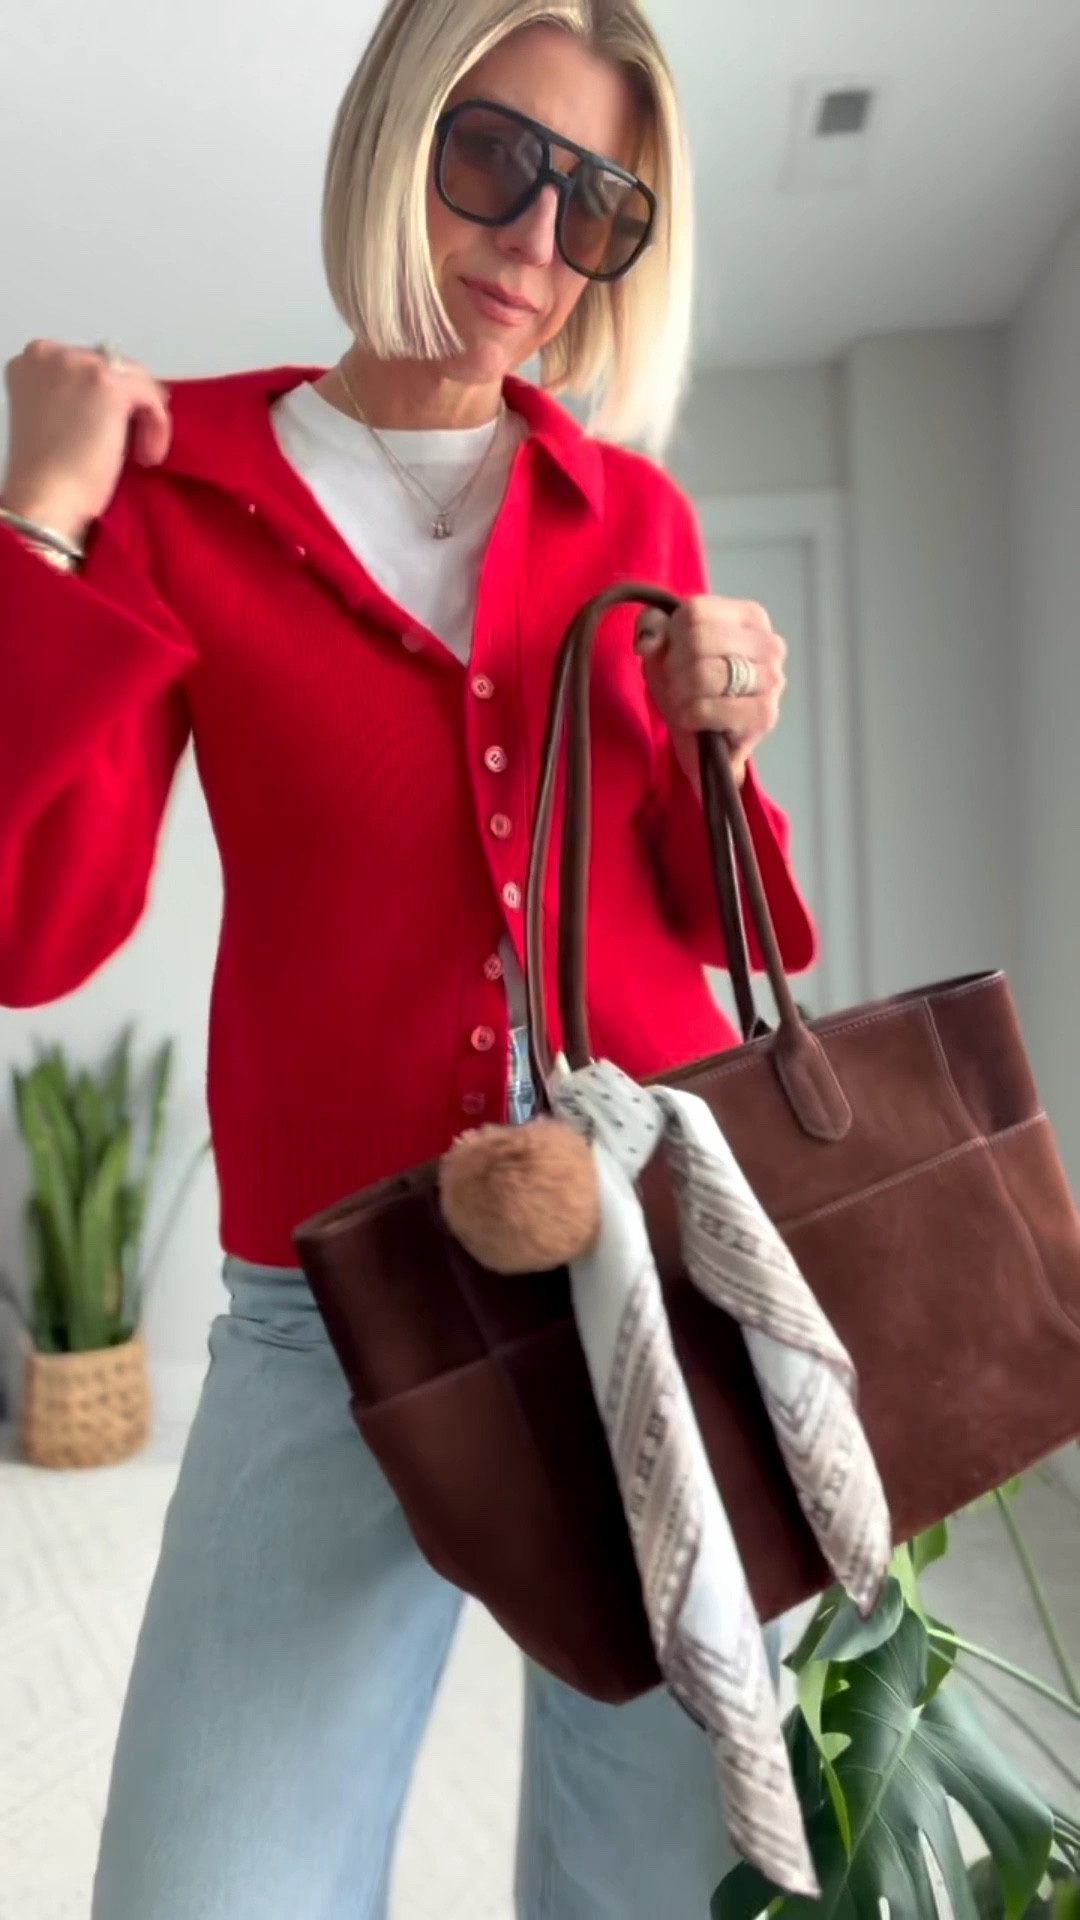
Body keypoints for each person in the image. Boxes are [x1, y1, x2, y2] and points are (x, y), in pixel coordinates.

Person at [0, 1, 816, 1913]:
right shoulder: (173, 478)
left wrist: (737, 741)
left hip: (660, 1283)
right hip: (329, 1314)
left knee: (667, 1885)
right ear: (394, 134)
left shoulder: (634, 513)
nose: (536, 241)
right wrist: (35, 524)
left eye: (599, 208)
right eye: (494, 160)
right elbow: (38, 931)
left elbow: (722, 935)